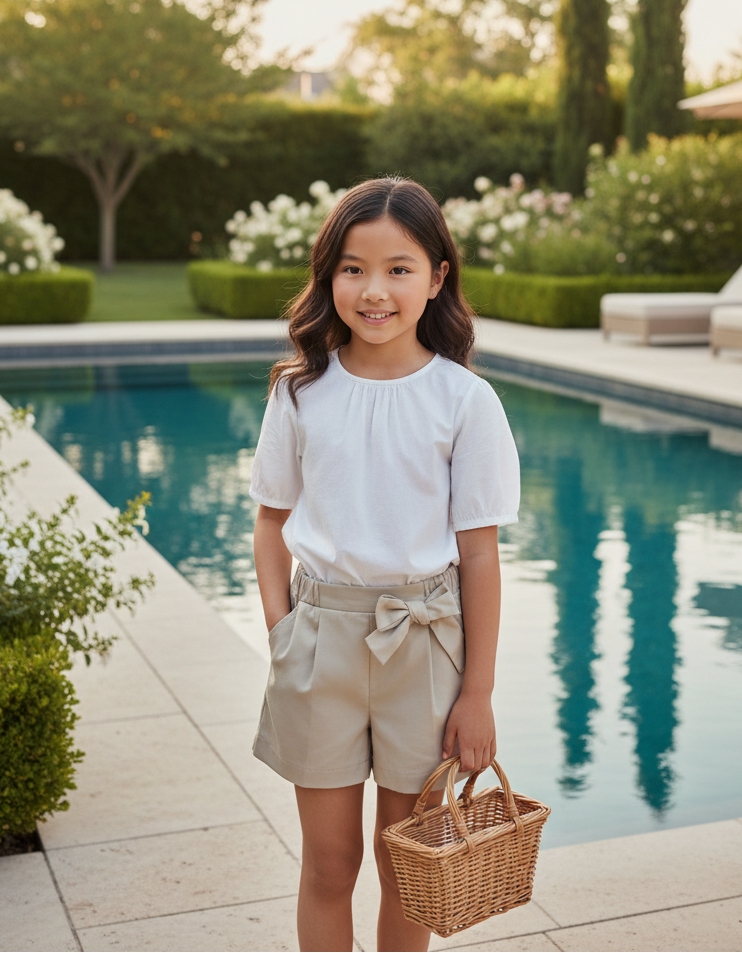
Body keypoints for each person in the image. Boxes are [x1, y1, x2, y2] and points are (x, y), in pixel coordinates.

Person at [250, 177, 520, 953]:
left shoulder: (465, 401)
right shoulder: (299, 392)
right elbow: (270, 523)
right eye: (353, 267)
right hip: (319, 642)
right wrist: (283, 634)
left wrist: (478, 691)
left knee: (408, 865)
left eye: (399, 268)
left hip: (427, 644)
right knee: (330, 862)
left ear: (438, 277)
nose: (374, 290)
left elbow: (479, 552)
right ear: (328, 274)